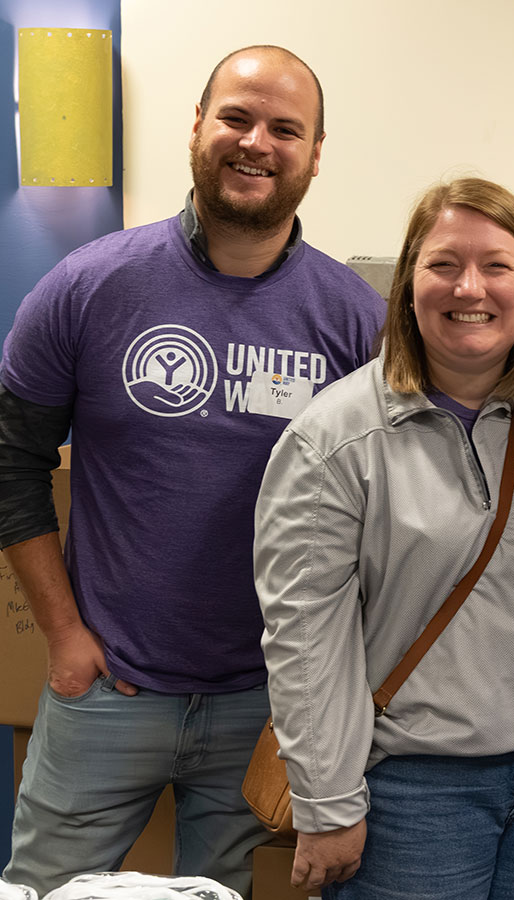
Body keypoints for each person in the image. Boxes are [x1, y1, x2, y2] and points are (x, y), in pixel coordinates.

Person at [0, 45, 385, 896]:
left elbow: (387, 516)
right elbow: (10, 461)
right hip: (108, 692)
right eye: (237, 117)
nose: (258, 142)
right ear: (197, 130)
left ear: (316, 153)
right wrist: (63, 634)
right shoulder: (87, 287)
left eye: (287, 128)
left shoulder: (358, 322)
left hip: (270, 706)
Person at [253, 177, 514, 900]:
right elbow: (303, 636)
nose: (469, 286)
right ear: (409, 283)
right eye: (444, 263)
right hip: (413, 788)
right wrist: (326, 802)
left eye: (497, 265)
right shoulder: (334, 440)